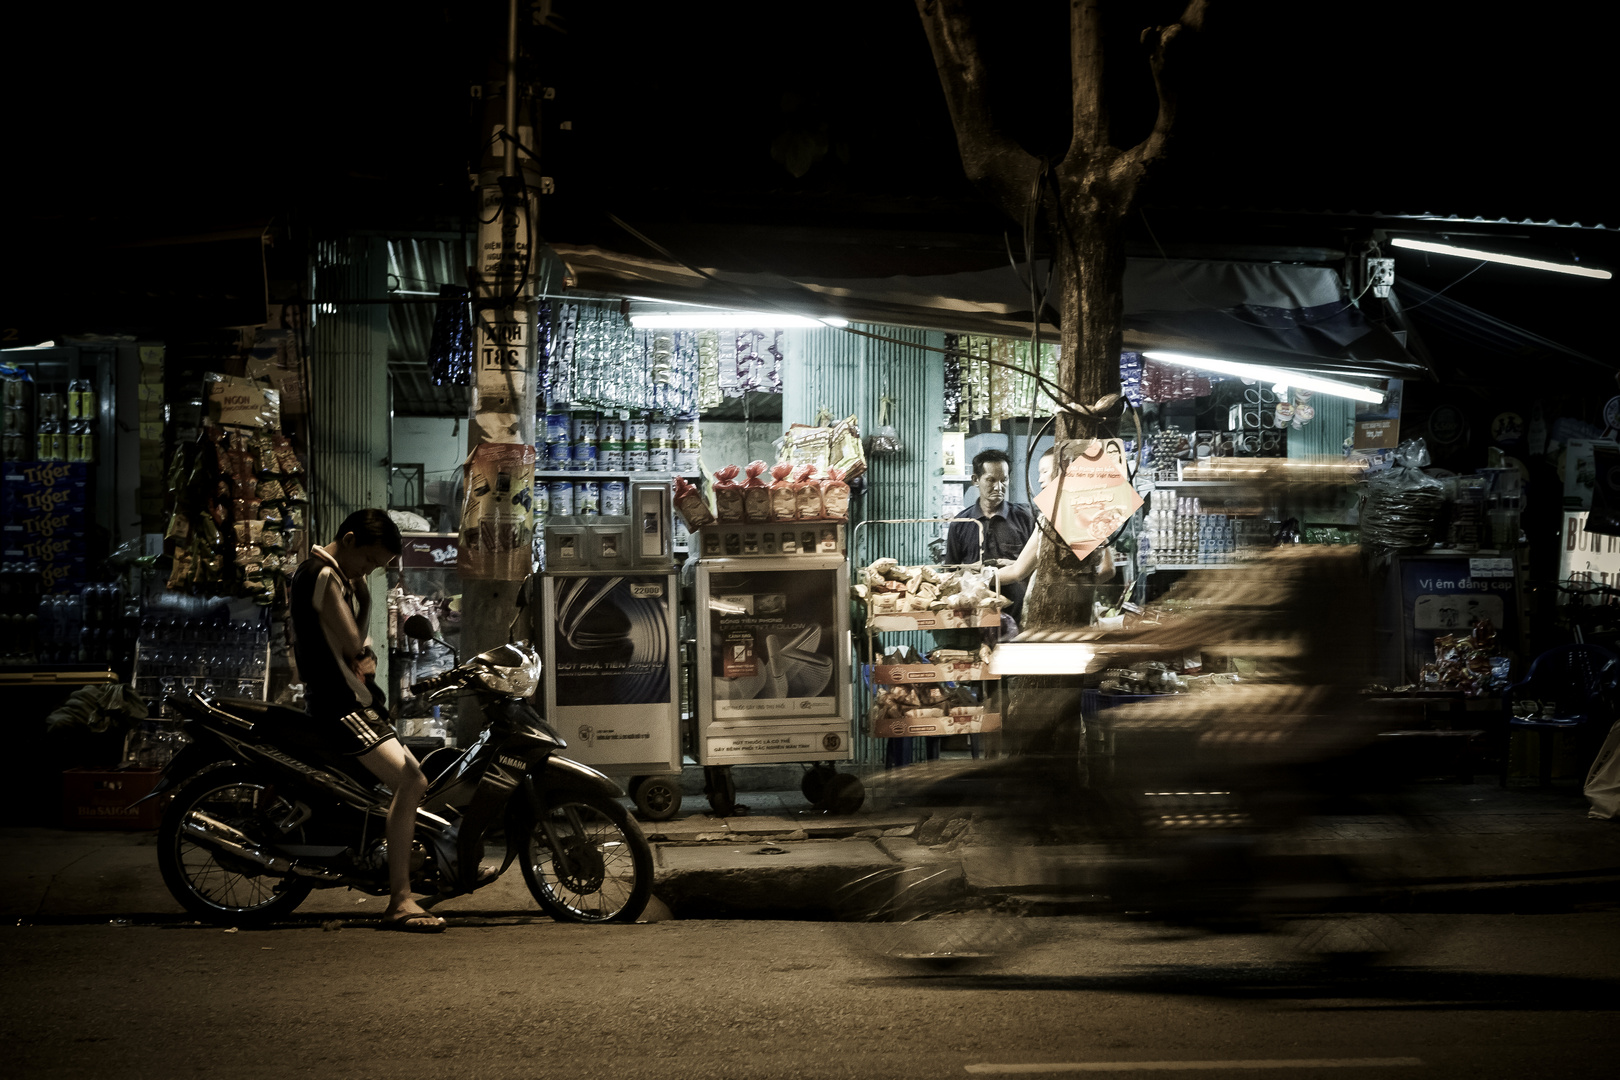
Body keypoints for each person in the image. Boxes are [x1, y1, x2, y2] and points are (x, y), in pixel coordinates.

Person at [289, 509, 443, 933]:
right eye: (371, 562)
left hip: (348, 699)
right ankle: (400, 899)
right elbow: (355, 641)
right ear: (351, 540)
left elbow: (358, 651)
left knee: (402, 782)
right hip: (340, 705)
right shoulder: (323, 574)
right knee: (412, 781)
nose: (370, 571)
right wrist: (367, 599)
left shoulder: (328, 575)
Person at [945, 448, 1037, 624]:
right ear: (975, 480)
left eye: (1004, 480)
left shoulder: (1026, 518)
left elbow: (1040, 566)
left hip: (1018, 616)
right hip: (974, 619)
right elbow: (950, 573)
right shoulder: (961, 523)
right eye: (991, 480)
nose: (998, 487)